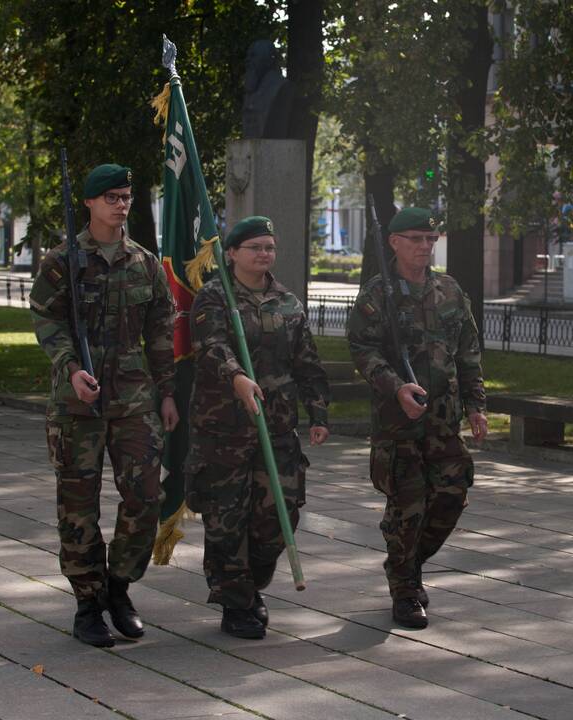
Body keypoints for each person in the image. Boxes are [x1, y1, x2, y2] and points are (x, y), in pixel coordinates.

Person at [30, 163, 179, 647]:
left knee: (145, 497)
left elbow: (160, 332)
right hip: (78, 403)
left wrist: (169, 392)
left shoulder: (144, 263)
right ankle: (87, 603)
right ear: (90, 203)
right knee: (78, 507)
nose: (121, 204)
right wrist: (71, 368)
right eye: (111, 197)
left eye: (126, 196)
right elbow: (47, 324)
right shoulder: (61, 262)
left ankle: (119, 586)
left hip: (135, 399)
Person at [184, 216, 330, 640]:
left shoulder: (288, 303)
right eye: (254, 247)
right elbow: (210, 346)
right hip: (224, 431)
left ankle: (252, 584)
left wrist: (318, 413)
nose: (264, 254)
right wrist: (236, 377)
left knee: (277, 519)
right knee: (227, 520)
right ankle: (235, 601)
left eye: (269, 246)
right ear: (231, 254)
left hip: (278, 428)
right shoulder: (214, 297)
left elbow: (307, 362)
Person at [346, 207, 487, 630]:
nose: (424, 247)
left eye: (430, 239)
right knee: (407, 506)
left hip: (444, 419)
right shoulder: (376, 294)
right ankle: (405, 590)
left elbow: (469, 351)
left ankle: (405, 566)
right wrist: (396, 386)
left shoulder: (449, 290)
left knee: (451, 493)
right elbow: (361, 350)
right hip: (398, 422)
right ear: (393, 242)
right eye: (415, 239)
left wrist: (476, 404)